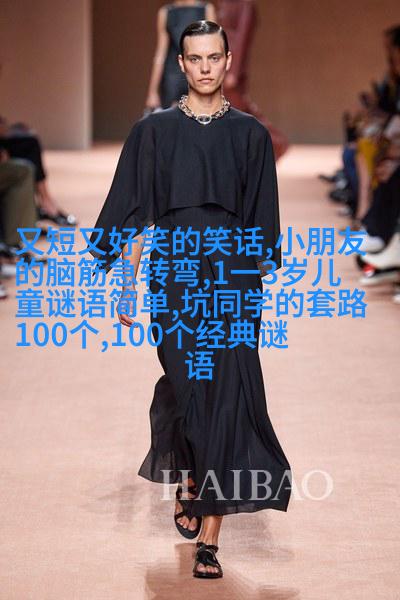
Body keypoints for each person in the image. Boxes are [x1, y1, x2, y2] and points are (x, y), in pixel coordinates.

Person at [89, 20, 291, 579]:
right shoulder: (154, 132)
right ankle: (189, 470)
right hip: (175, 272)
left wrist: (249, 289)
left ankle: (210, 537)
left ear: (228, 61)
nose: (205, 68)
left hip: (231, 276)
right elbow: (137, 210)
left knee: (225, 396)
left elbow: (262, 222)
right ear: (181, 64)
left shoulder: (250, 135)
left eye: (214, 57)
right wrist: (126, 283)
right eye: (195, 58)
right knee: (185, 389)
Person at [217, 0, 290, 160]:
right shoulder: (225, 3)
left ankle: (275, 142)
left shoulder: (245, 5)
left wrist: (234, 72)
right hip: (220, 63)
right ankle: (272, 144)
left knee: (237, 111)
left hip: (231, 68)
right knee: (234, 111)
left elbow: (242, 39)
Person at [145, 1, 217, 110]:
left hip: (198, 72)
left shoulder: (206, 9)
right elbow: (161, 54)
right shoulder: (166, 12)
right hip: (172, 76)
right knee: (172, 117)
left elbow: (213, 48)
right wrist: (152, 92)